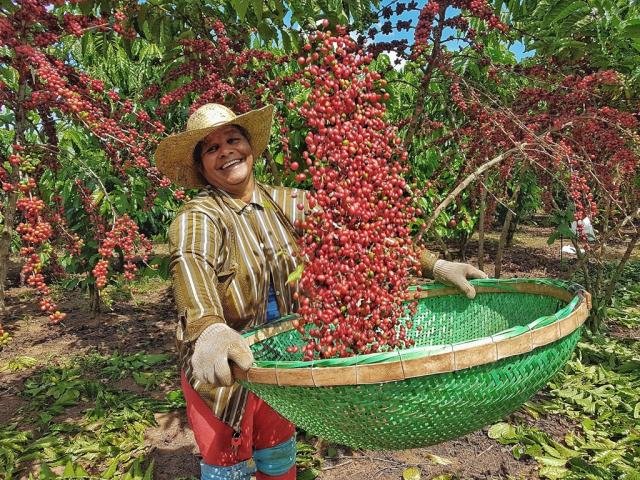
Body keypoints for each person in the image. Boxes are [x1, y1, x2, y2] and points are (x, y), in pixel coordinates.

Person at [155, 103, 487, 480]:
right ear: (201, 168)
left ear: (250, 148)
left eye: (233, 140)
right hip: (222, 365)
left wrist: (433, 264)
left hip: (280, 356)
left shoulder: (287, 202)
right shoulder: (198, 217)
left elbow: (358, 234)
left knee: (278, 453)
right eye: (212, 149)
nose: (226, 151)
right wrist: (210, 328)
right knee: (228, 466)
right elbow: (191, 262)